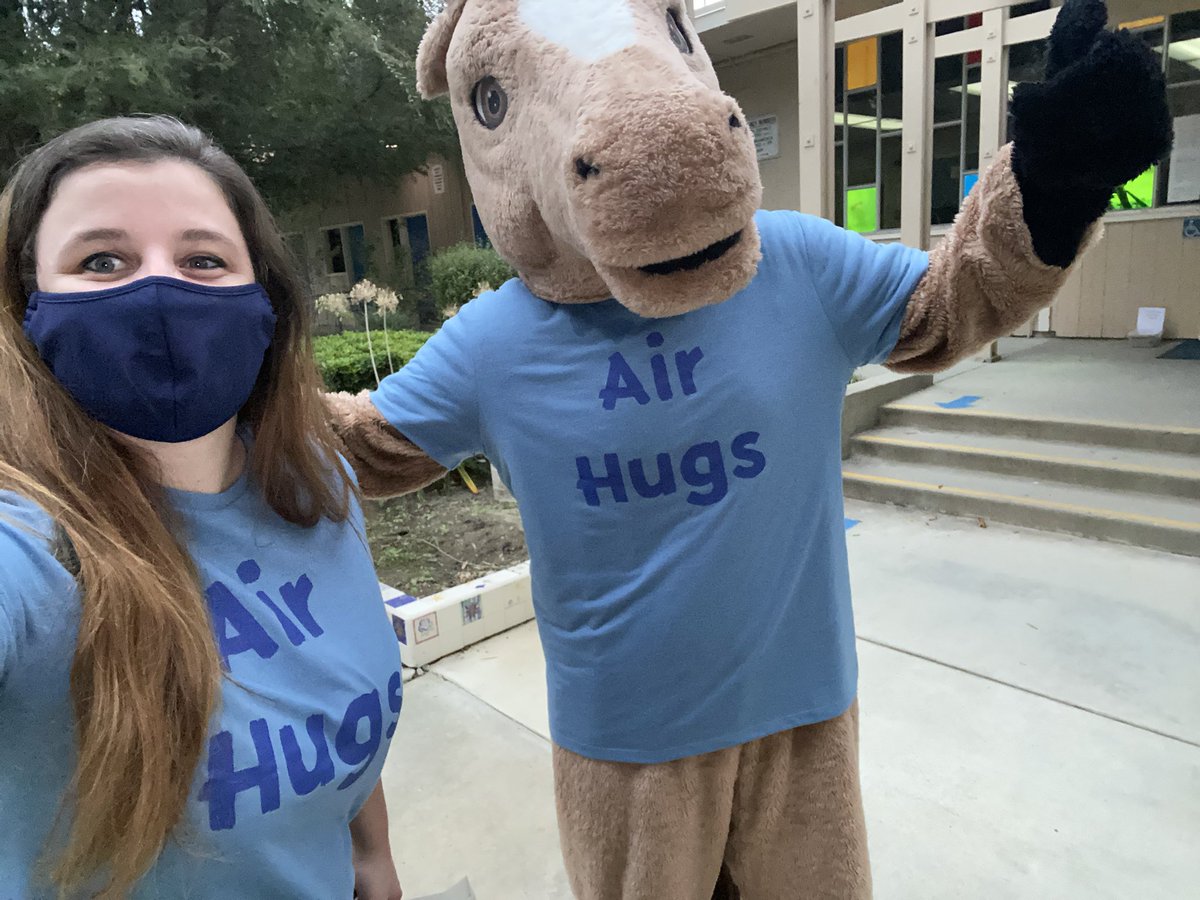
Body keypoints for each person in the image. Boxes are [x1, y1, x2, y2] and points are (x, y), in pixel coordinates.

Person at [0, 116, 405, 900]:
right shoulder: (31, 546)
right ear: (28, 308)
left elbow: (336, 706)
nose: (159, 291)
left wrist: (369, 855)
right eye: (102, 260)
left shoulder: (314, 482)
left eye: (203, 259)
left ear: (267, 300)